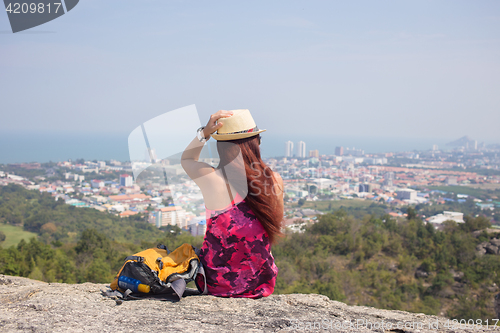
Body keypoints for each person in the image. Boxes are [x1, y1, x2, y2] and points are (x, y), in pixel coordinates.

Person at [181, 109, 284, 298]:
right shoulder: (274, 181)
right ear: (256, 144)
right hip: (261, 285)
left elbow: (187, 159)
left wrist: (204, 133)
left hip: (218, 285)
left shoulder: (212, 179)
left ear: (222, 147)